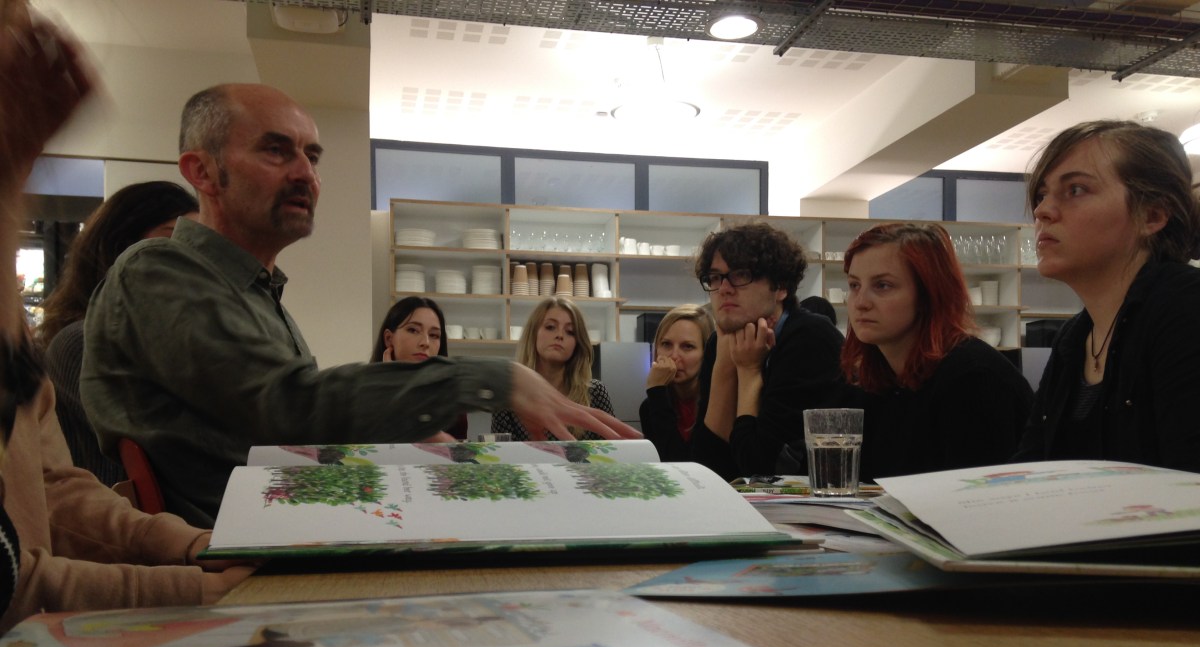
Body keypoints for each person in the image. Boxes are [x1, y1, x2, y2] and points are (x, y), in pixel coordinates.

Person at [82, 83, 635, 527]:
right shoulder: (157, 271)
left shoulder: (257, 294)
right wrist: (491, 378)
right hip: (238, 564)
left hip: (283, 534)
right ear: (201, 172)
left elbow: (299, 424)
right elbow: (288, 409)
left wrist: (413, 438)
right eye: (276, 150)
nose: (305, 174)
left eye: (312, 156)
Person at [0, 1, 254, 634]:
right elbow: (14, 579)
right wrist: (195, 583)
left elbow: (56, 489)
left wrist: (192, 548)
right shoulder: (81, 344)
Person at [1013, 119, 1200, 470]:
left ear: (1152, 215)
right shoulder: (1075, 336)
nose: (1041, 212)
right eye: (1041, 195)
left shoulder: (1187, 309)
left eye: (1076, 190)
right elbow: (1031, 468)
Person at [840, 222, 1033, 478]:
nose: (861, 302)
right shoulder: (877, 379)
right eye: (854, 285)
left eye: (883, 285)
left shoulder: (974, 379)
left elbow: (978, 494)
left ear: (928, 295)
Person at [39, 181, 199, 483]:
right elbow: (176, 453)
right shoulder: (84, 341)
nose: (192, 260)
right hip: (118, 509)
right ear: (119, 247)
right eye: (171, 240)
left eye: (197, 245)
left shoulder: (170, 340)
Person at [690, 222, 844, 480]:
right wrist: (725, 365)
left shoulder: (810, 338)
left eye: (741, 274)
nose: (724, 288)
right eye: (715, 278)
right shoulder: (720, 341)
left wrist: (748, 371)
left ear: (781, 287)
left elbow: (761, 469)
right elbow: (706, 466)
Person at [490, 297, 614, 441]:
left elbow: (614, 450)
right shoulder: (511, 396)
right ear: (533, 333)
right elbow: (501, 452)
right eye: (550, 327)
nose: (560, 335)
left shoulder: (595, 393)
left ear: (577, 343)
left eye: (570, 331)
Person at [370, 295, 467, 440]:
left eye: (434, 335)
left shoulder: (452, 400)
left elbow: (459, 452)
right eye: (413, 330)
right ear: (389, 339)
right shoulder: (362, 395)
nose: (425, 342)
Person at [639, 304, 713, 462]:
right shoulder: (650, 406)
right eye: (666, 344)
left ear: (706, 352)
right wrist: (656, 392)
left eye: (687, 346)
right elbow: (667, 464)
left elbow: (691, 465)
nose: (674, 356)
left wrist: (656, 391)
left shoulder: (716, 405)